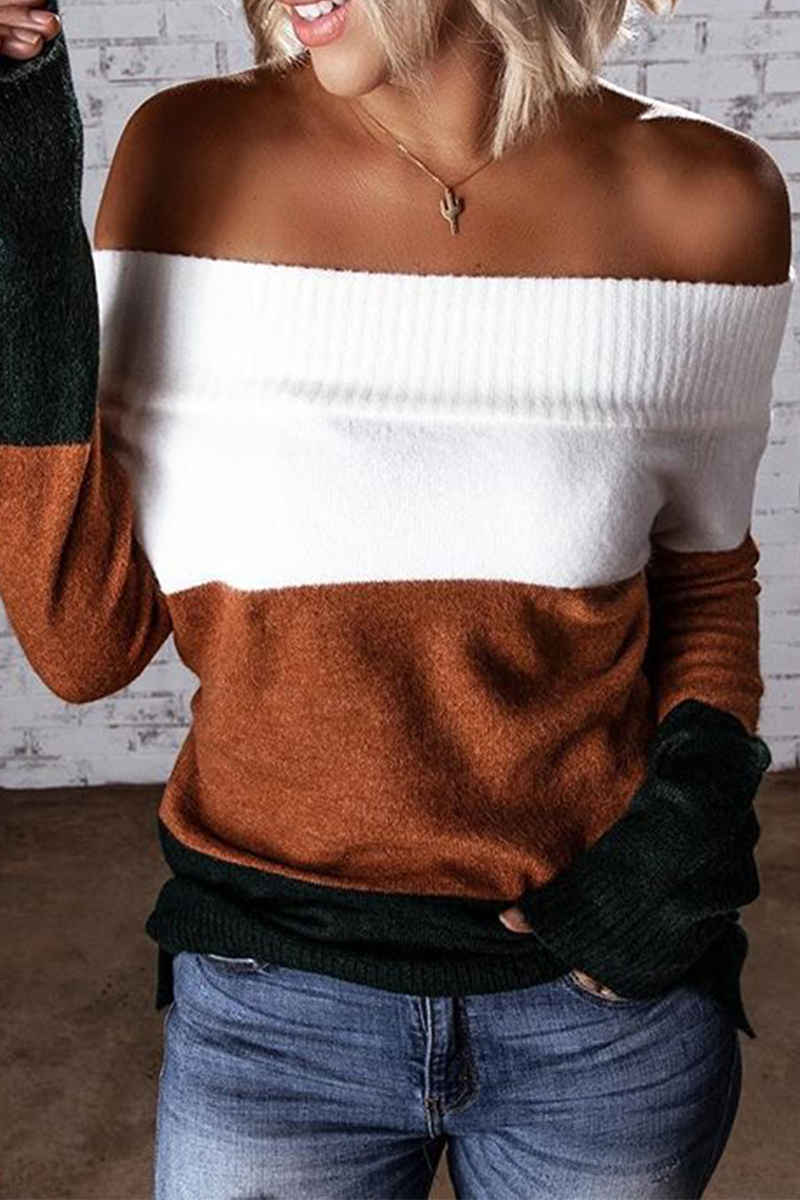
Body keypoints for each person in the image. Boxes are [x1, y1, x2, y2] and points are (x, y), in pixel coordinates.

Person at [0, 0, 794, 1195]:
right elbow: (81, 641)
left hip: (598, 1015)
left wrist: (681, 837)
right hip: (273, 1005)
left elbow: (702, 575)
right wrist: (16, 181)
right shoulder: (188, 153)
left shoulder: (706, 196)